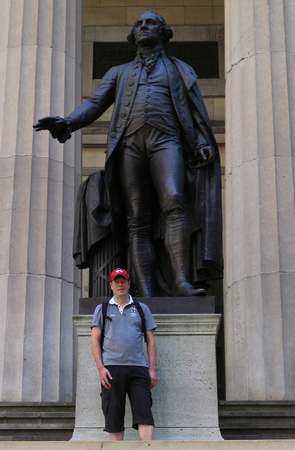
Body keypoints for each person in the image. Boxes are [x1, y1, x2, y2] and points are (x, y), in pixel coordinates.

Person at [34, 11, 223, 298]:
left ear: (164, 32)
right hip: (129, 146)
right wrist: (68, 123)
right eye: (139, 24)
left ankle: (182, 281)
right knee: (138, 218)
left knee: (174, 198)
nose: (144, 27)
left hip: (166, 140)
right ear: (133, 35)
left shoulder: (180, 69)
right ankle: (145, 290)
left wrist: (200, 141)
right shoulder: (119, 72)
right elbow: (95, 103)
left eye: (151, 23)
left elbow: (193, 110)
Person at [91, 268, 157, 440]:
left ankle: (149, 447)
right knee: (113, 415)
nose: (120, 285)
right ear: (111, 285)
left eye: (123, 281)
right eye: (117, 281)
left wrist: (152, 369)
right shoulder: (102, 309)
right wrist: (100, 368)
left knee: (144, 412)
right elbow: (94, 340)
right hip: (111, 369)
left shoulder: (141, 309)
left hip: (138, 368)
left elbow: (150, 340)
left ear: (129, 284)